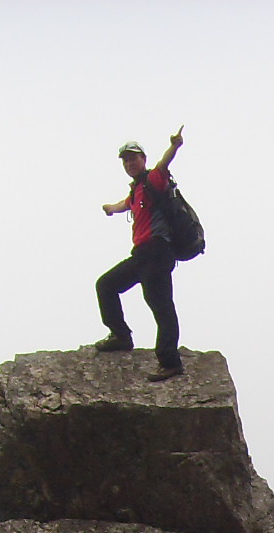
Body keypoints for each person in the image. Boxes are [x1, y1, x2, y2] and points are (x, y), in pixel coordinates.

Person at [96, 129, 186, 381]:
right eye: (125, 160)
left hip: (157, 252)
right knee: (106, 285)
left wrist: (174, 146)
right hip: (142, 255)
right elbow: (126, 204)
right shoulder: (136, 191)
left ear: (143, 159)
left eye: (133, 158)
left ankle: (170, 362)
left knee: (161, 307)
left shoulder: (153, 180)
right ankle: (121, 336)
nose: (129, 163)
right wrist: (111, 209)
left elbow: (163, 164)